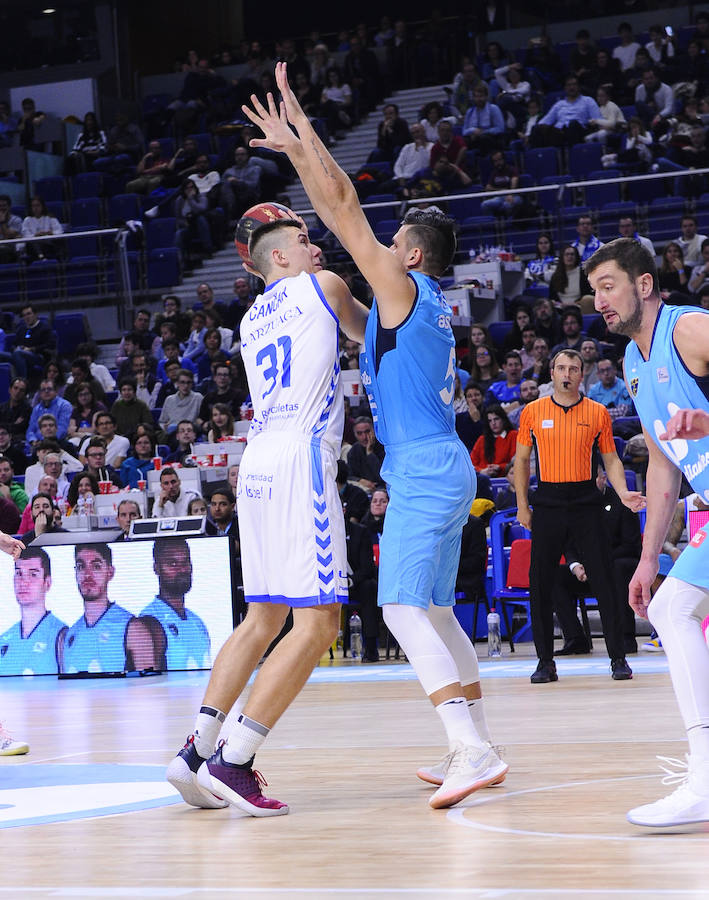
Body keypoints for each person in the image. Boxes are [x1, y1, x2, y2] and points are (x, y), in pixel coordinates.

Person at [250, 63, 508, 809]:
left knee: (397, 610)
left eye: (390, 245)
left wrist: (299, 139)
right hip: (442, 464)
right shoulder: (405, 317)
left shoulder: (406, 287)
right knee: (430, 611)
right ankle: (476, 741)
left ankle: (472, 748)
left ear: (413, 256)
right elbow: (353, 314)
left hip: (425, 468)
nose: (377, 251)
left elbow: (342, 209)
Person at [166, 199, 369, 815]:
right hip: (300, 459)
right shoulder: (323, 285)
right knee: (320, 623)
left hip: (254, 462)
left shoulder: (253, 318)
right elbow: (379, 326)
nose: (315, 245)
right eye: (303, 237)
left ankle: (195, 752)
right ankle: (236, 759)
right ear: (278, 255)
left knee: (262, 618)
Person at [585, 236, 709, 828]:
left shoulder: (689, 330)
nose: (600, 302)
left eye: (608, 286)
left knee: (676, 613)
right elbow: (663, 465)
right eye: (593, 293)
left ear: (643, 284)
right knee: (670, 608)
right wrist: (647, 557)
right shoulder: (635, 364)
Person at [514, 348, 645, 685]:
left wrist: (623, 491)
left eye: (573, 368)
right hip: (548, 502)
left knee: (605, 579)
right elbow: (522, 462)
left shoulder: (598, 412)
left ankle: (618, 657)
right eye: (561, 368)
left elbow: (611, 460)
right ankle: (545, 661)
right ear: (552, 373)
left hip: (587, 500)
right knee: (540, 581)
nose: (567, 374)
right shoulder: (532, 411)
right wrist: (522, 505)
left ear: (581, 374)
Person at [58, 543, 158, 675]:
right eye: (81, 567)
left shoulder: (133, 629)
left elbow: (149, 687)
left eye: (96, 566)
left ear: (110, 573)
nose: (87, 574)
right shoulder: (68, 635)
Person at [140, 538, 209, 670]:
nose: (182, 570)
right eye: (172, 563)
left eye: (185, 562)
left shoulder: (198, 622)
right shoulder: (148, 622)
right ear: (157, 568)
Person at [0, 547, 65, 675]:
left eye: (33, 574)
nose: (24, 582)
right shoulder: (4, 639)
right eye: (19, 574)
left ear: (47, 583)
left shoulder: (60, 636)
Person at [470, 405, 517, 476]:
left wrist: (500, 467)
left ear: (503, 419)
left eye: (496, 419)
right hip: (483, 477)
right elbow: (471, 464)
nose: (493, 423)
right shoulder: (482, 439)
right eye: (490, 421)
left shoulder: (513, 435)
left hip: (506, 477)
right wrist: (482, 471)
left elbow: (515, 462)